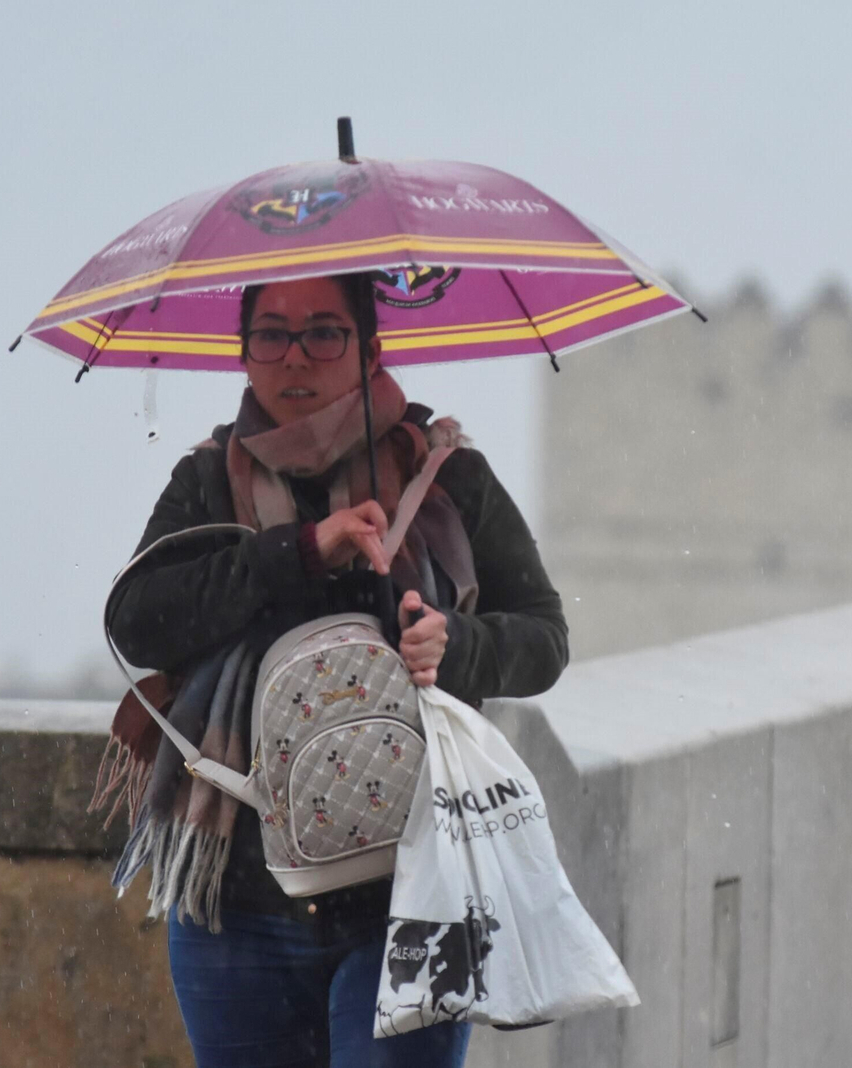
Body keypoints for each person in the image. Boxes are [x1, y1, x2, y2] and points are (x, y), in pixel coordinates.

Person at [105, 272, 568, 1068]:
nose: (296, 359)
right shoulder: (211, 481)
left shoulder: (446, 476)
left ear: (369, 347)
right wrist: (298, 551)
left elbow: (543, 639)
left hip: (416, 890)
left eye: (325, 333)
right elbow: (139, 618)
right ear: (242, 352)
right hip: (236, 901)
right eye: (271, 335)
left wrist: (456, 644)